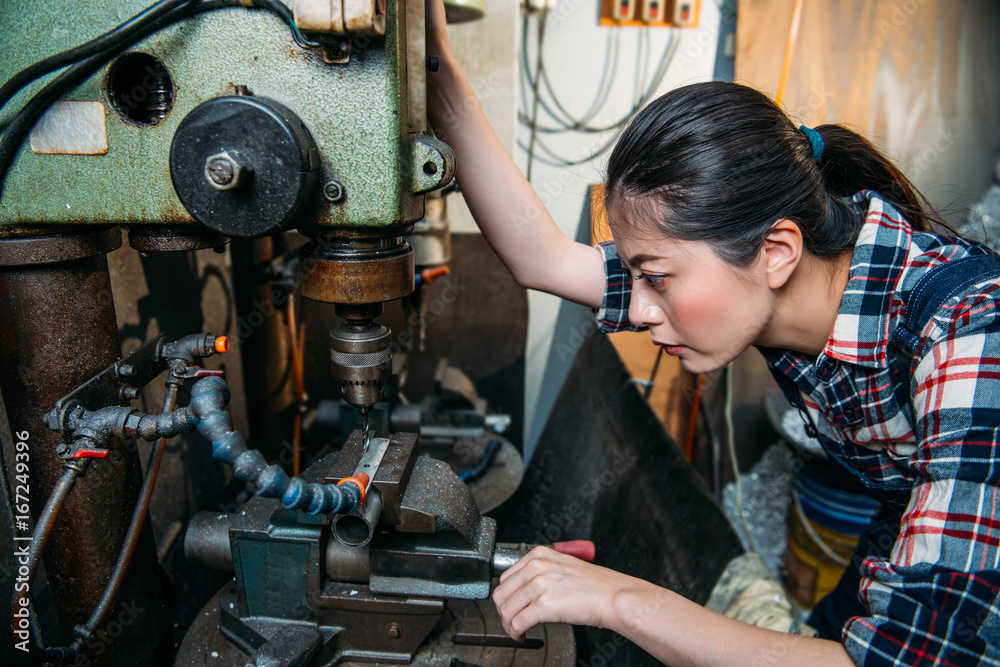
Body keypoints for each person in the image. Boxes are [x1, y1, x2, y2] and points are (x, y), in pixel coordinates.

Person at [424, 1, 1000, 664]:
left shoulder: (970, 340)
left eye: (657, 277)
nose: (636, 310)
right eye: (634, 274)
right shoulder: (776, 276)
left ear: (777, 251)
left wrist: (620, 599)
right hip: (894, 556)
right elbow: (543, 259)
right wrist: (436, 68)